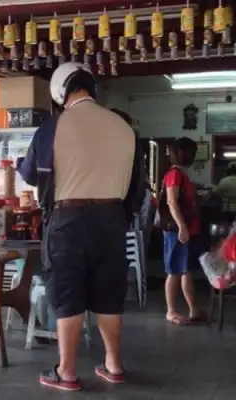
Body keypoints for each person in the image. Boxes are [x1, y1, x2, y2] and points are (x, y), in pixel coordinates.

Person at [18, 62, 144, 391]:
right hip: (112, 220)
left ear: (60, 92)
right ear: (92, 88)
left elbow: (31, 175)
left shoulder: (51, 129)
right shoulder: (124, 127)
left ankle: (68, 372)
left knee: (68, 293)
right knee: (108, 294)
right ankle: (114, 365)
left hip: (67, 221)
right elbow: (137, 186)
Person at [161, 138, 204, 325]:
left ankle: (193, 309)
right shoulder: (174, 174)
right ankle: (171, 311)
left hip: (186, 229)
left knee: (186, 271)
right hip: (177, 230)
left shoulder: (182, 174)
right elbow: (172, 202)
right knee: (175, 271)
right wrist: (182, 227)